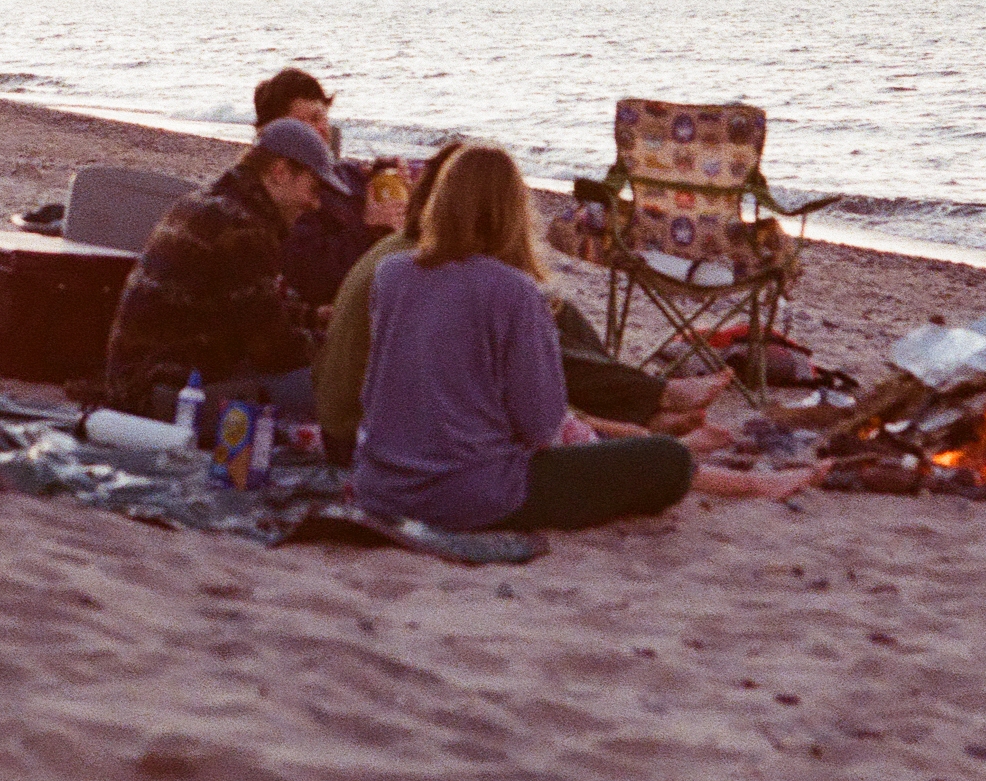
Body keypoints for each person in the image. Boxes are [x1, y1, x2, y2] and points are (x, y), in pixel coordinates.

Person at [354, 146, 704, 533]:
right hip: (468, 493)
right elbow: (540, 425)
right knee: (669, 461)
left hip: (380, 485)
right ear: (515, 213)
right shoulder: (514, 291)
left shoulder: (392, 273)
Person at [104, 114, 353, 430]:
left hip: (138, 384)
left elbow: (251, 308)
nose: (316, 204)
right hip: (159, 401)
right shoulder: (241, 228)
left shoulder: (215, 203)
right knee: (331, 387)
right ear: (279, 172)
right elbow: (276, 353)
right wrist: (343, 345)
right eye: (314, 188)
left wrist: (313, 318)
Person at [252, 66, 396, 316]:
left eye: (320, 118)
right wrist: (369, 230)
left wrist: (390, 176)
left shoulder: (348, 174)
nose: (317, 130)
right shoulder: (280, 193)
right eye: (303, 123)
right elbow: (315, 279)